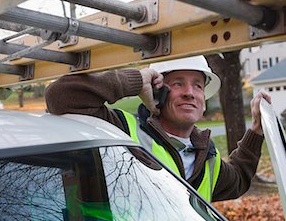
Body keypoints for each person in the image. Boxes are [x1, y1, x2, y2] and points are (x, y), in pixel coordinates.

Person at [45, 55, 271, 202]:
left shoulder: (208, 157)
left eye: (198, 85)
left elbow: (239, 179)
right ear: (156, 91)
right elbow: (60, 96)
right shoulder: (121, 131)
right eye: (177, 83)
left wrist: (256, 130)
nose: (189, 92)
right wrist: (136, 80)